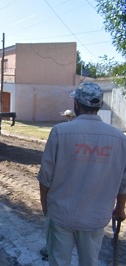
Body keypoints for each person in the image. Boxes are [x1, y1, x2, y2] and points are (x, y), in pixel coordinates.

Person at [37, 82, 126, 265]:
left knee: (59, 262)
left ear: (76, 104)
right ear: (99, 106)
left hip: (61, 215)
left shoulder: (60, 132)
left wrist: (45, 205)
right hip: (95, 218)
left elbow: (46, 176)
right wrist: (120, 208)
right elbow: (123, 180)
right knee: (90, 262)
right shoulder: (119, 138)